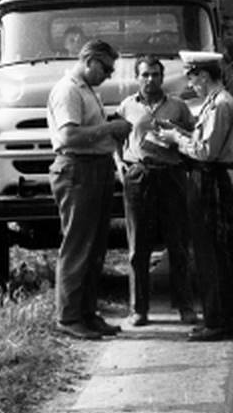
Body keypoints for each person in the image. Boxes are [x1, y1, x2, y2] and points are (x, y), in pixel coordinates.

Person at [155, 55, 233, 342]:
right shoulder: (216, 103)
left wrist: (176, 140)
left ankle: (218, 322)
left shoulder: (221, 106)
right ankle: (218, 317)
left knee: (212, 254)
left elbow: (206, 151)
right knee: (211, 252)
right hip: (208, 178)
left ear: (204, 76)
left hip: (210, 180)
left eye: (191, 77)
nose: (190, 84)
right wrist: (181, 133)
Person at [46, 39, 132, 340]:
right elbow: (68, 136)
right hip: (77, 170)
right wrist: (110, 129)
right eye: (105, 68)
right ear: (89, 61)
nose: (108, 75)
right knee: (78, 245)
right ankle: (69, 317)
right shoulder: (68, 90)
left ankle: (86, 313)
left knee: (95, 246)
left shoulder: (87, 90)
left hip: (95, 169)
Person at [116, 56, 197, 328]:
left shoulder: (177, 106)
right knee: (138, 247)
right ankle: (139, 309)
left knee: (178, 244)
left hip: (171, 175)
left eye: (155, 75)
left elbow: (192, 135)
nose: (150, 79)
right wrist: (120, 165)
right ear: (137, 78)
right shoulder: (127, 106)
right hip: (139, 176)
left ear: (162, 78)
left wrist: (176, 137)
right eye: (145, 75)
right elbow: (116, 137)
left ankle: (185, 306)